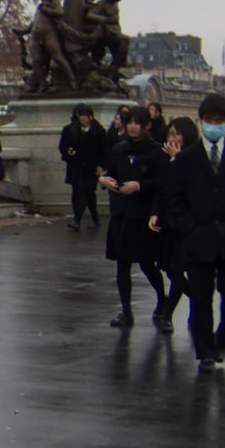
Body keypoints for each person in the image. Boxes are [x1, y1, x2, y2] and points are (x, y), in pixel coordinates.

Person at [153, 94, 225, 371]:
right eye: (209, 121)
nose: (214, 126)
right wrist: (187, 227)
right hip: (198, 238)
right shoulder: (186, 159)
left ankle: (223, 334)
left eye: (220, 121)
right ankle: (205, 353)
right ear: (201, 123)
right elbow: (174, 199)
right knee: (200, 299)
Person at [101, 106, 164, 328]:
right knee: (122, 265)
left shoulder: (157, 151)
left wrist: (139, 186)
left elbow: (162, 183)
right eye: (129, 123)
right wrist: (105, 180)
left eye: (138, 123)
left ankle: (163, 304)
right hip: (122, 213)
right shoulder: (119, 149)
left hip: (143, 214)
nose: (133, 126)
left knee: (148, 264)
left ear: (147, 126)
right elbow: (111, 172)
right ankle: (126, 311)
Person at [149, 116, 200, 333]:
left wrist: (178, 160)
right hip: (168, 221)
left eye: (176, 134)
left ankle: (168, 314)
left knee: (178, 271)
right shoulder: (165, 158)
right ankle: (199, 302)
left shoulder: (195, 158)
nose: (172, 138)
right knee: (171, 270)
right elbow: (161, 188)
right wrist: (154, 213)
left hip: (187, 224)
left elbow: (195, 188)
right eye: (170, 134)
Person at [58, 104, 109, 229]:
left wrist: (102, 165)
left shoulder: (98, 131)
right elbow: (63, 146)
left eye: (84, 116)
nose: (82, 119)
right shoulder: (70, 130)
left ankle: (94, 218)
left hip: (91, 167)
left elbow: (105, 150)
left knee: (90, 193)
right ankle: (77, 219)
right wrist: (68, 152)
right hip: (76, 166)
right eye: (80, 116)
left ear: (90, 117)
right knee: (78, 192)